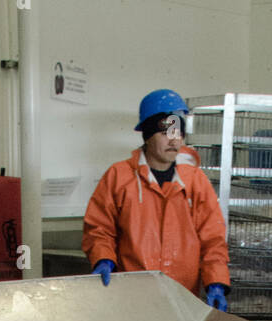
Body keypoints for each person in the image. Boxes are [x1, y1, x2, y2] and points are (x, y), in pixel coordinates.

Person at [82, 89, 230, 309]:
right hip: (132, 297)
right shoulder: (119, 176)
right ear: (148, 135)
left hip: (183, 298)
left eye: (178, 132)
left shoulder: (195, 181)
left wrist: (216, 282)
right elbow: (99, 228)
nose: (173, 140)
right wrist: (103, 258)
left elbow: (213, 239)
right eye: (165, 132)